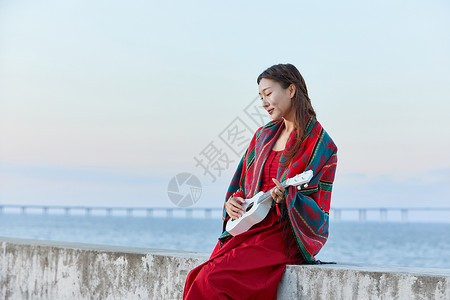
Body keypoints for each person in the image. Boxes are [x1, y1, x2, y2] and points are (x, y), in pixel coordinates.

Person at [183, 63, 338, 300]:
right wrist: (233, 203)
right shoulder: (263, 136)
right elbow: (242, 186)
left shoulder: (321, 144)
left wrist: (289, 198)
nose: (264, 102)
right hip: (250, 224)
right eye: (261, 97)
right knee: (197, 277)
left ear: (291, 90)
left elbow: (319, 208)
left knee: (211, 280)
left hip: (285, 233)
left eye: (268, 94)